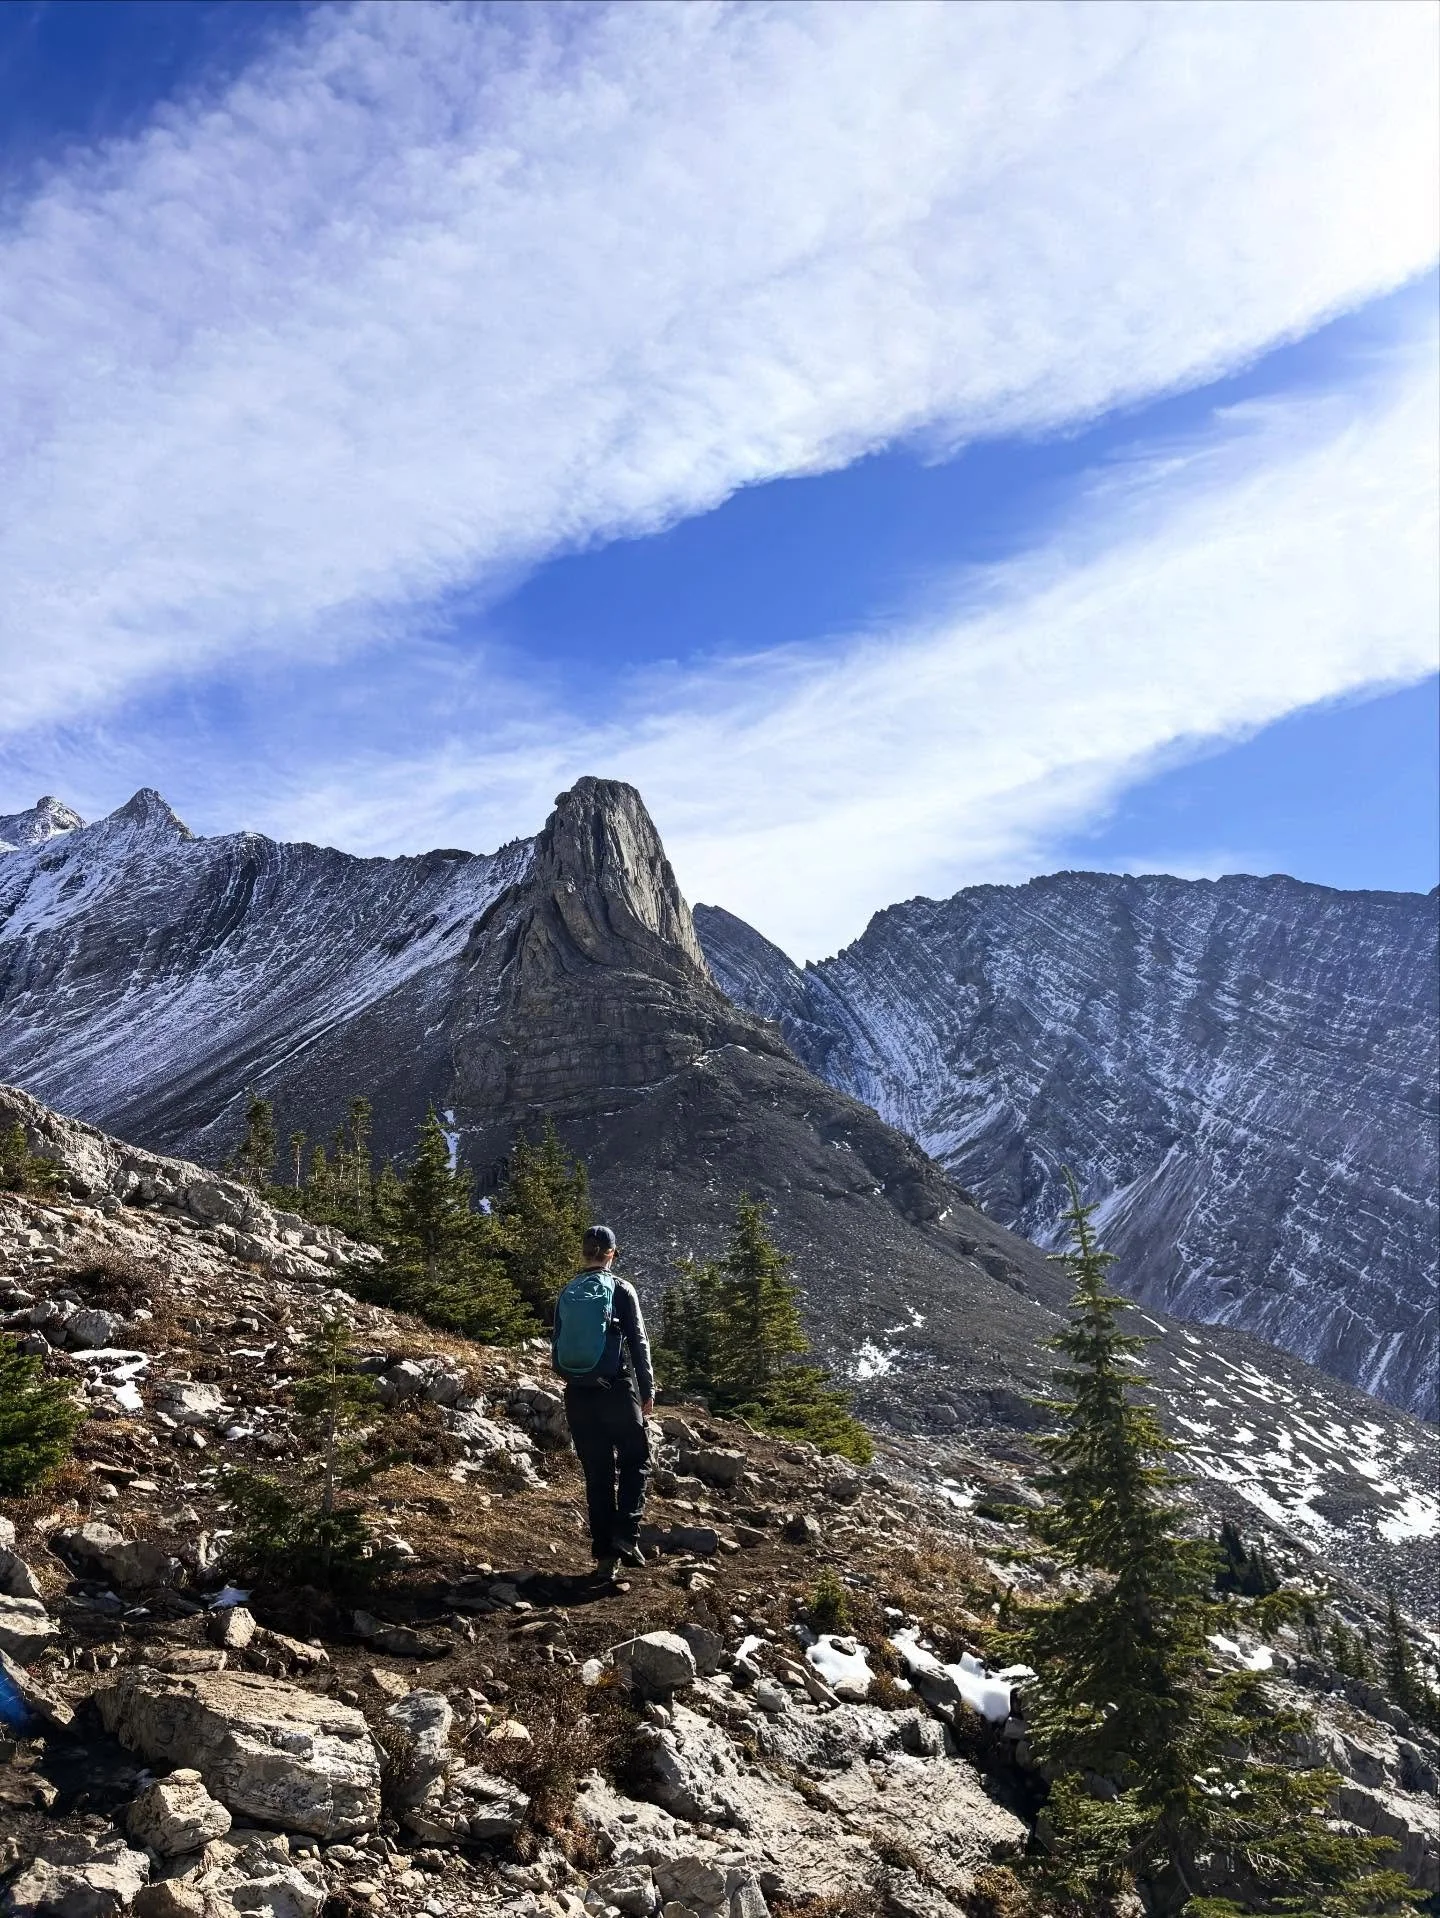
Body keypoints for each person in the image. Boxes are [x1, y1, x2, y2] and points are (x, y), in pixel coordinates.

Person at [552, 1224, 654, 1583]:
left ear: (584, 1252)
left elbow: (557, 1343)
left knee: (596, 1474)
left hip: (577, 1392)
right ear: (612, 1252)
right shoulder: (621, 1289)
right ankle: (625, 1538)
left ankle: (603, 1558)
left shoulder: (569, 1290)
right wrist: (648, 1390)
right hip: (615, 1389)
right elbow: (638, 1342)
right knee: (635, 1458)